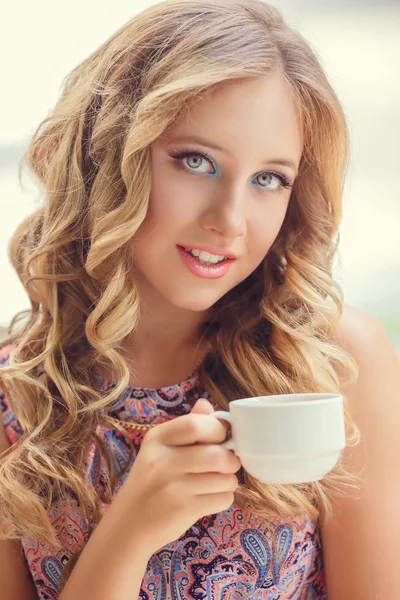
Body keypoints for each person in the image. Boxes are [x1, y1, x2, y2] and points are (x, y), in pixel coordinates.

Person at [0, 0, 399, 598]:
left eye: (269, 179)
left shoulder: (335, 364)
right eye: (197, 162)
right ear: (108, 158)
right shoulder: (17, 397)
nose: (231, 221)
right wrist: (129, 532)